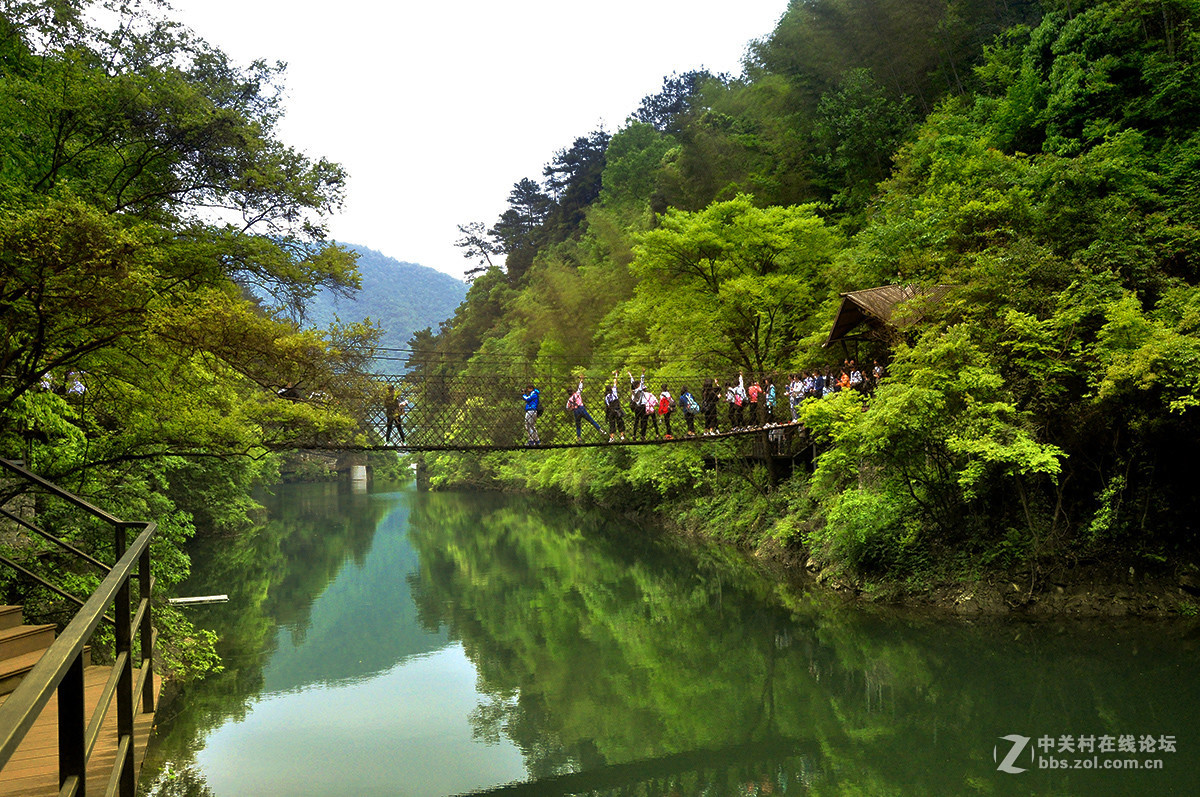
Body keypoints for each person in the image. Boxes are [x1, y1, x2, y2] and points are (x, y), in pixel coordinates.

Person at [566, 375, 604, 442]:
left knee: (578, 425)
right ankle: (600, 430)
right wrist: (581, 380)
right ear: (572, 391)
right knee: (591, 420)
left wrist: (571, 408)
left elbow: (567, 407)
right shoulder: (577, 394)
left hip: (575, 411)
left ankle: (579, 438)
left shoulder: (569, 400)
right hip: (581, 408)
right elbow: (580, 388)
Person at [605, 374, 626, 442]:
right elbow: (615, 382)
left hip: (611, 411)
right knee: (620, 422)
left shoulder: (606, 397)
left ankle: (612, 437)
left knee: (612, 424)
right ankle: (622, 436)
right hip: (617, 409)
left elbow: (608, 405)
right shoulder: (614, 391)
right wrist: (616, 375)